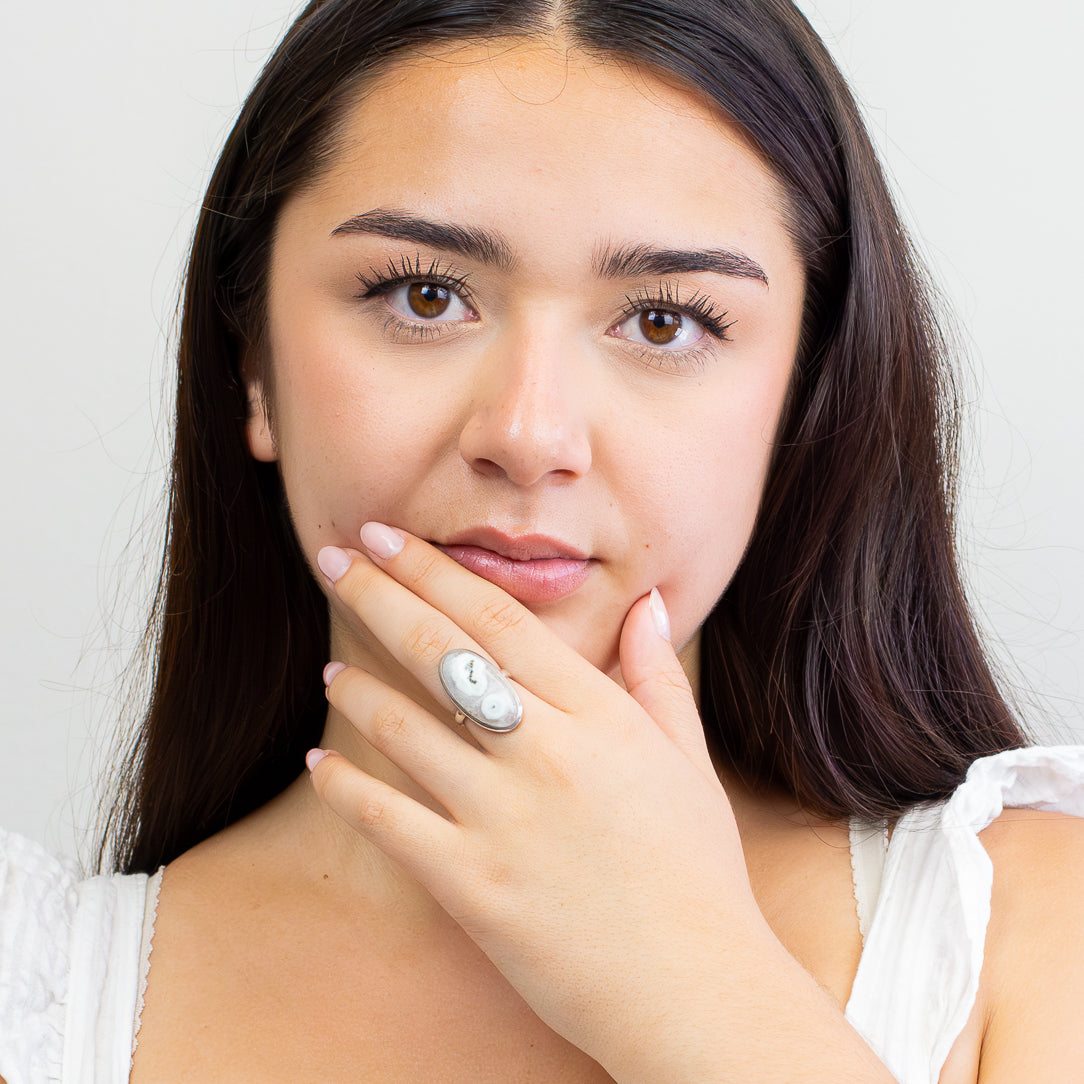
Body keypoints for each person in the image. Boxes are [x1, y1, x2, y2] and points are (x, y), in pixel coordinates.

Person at [2, 1, 1083, 1081]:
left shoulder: (1027, 931)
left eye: (664, 320)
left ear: (802, 397)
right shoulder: (35, 992)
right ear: (255, 372)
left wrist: (696, 988)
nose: (527, 434)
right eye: (423, 296)